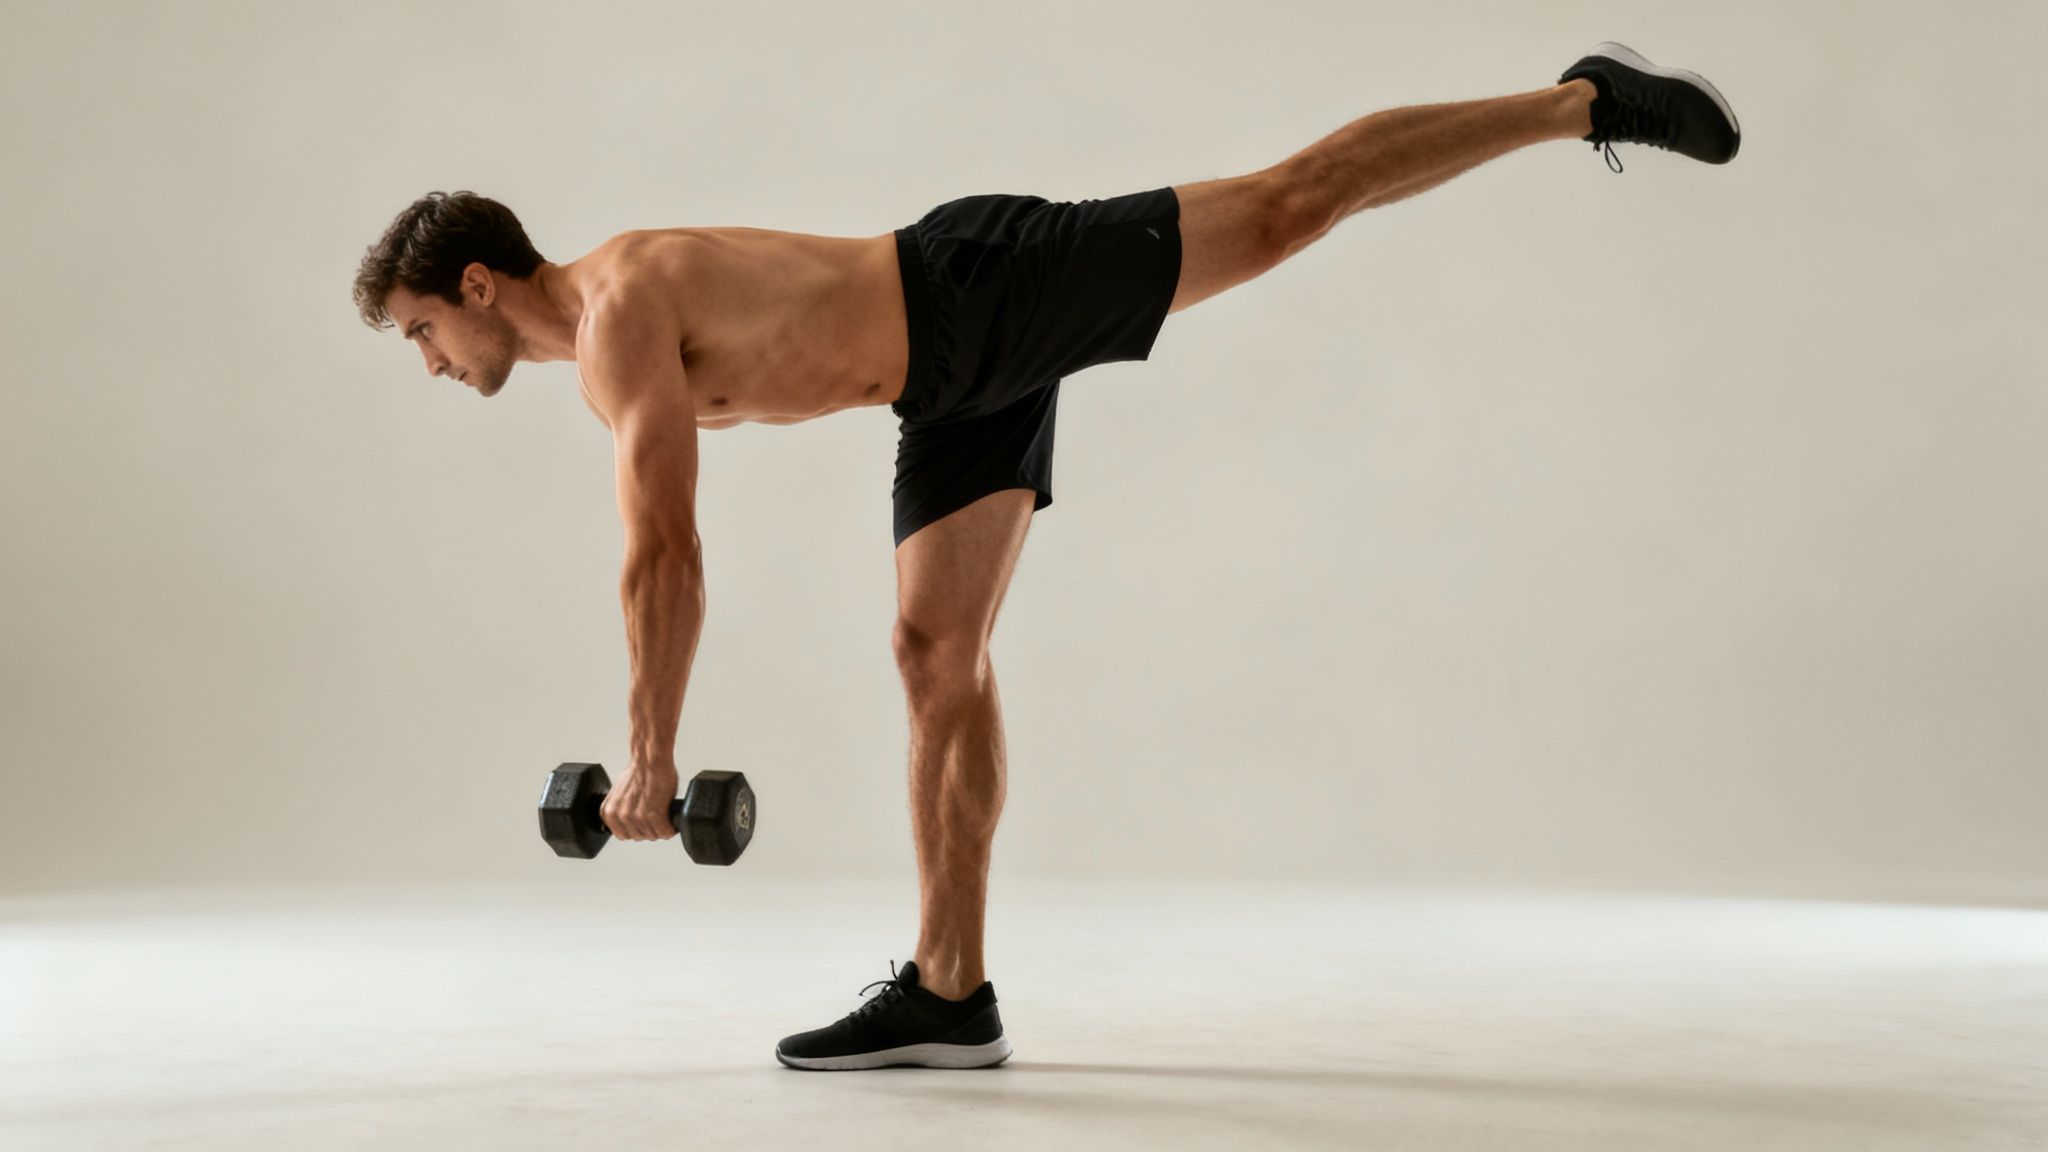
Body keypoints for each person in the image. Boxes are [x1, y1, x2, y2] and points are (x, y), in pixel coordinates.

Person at [351, 42, 1740, 1072]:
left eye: (420, 332)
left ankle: (1581, 102)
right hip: (944, 388)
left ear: (477, 285)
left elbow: (664, 552)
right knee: (932, 651)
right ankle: (950, 990)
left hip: (979, 284)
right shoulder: (602, 334)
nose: (428, 363)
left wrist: (650, 758)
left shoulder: (616, 313)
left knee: (1286, 205)